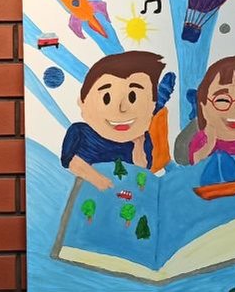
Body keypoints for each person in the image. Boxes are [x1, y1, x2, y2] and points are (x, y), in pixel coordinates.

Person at [61, 52, 166, 192]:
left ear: (152, 106)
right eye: (107, 98)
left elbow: (141, 171)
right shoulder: (80, 132)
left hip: (125, 198)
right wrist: (100, 181)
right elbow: (71, 163)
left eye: (133, 97)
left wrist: (139, 144)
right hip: (87, 196)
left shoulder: (142, 139)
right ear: (83, 103)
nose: (122, 109)